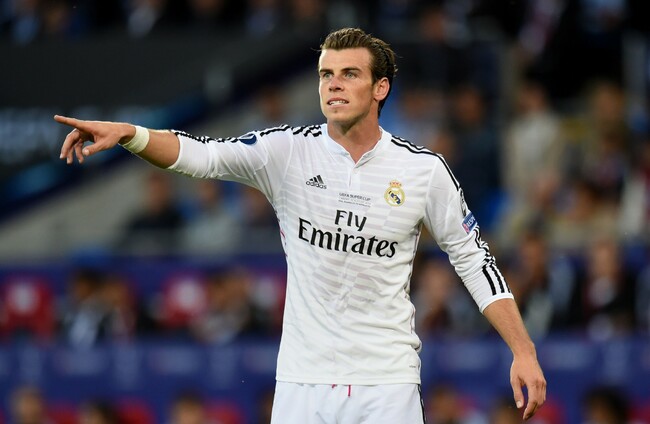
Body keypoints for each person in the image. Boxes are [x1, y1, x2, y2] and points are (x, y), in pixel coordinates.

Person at [55, 27, 545, 423]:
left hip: (387, 383)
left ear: (380, 88)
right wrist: (132, 134)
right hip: (301, 383)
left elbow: (474, 260)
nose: (333, 84)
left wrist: (522, 351)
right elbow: (203, 156)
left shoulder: (423, 171)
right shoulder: (286, 151)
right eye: (326, 74)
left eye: (349, 74)